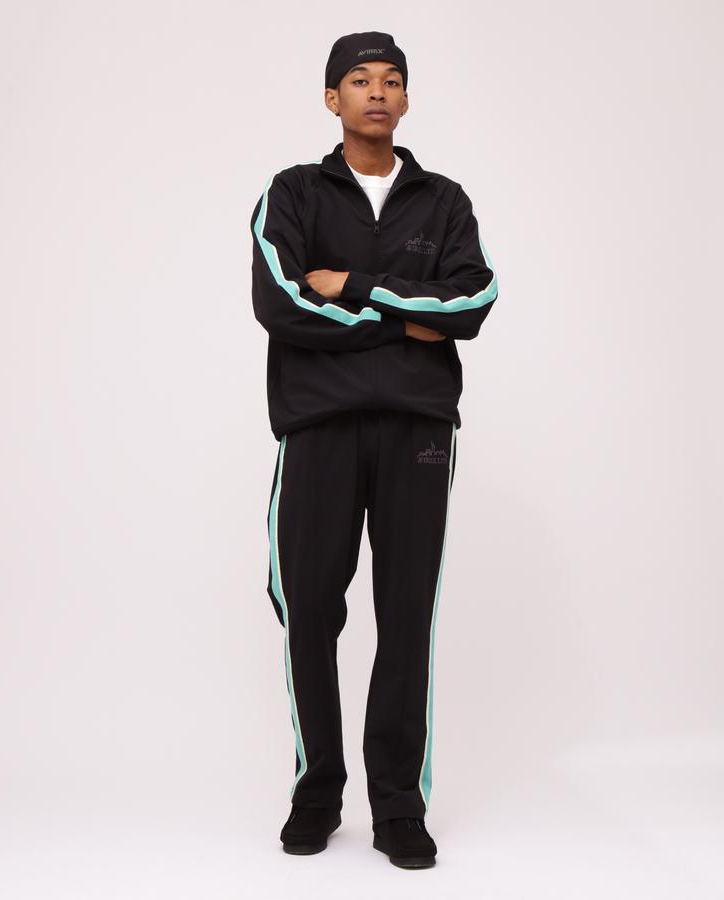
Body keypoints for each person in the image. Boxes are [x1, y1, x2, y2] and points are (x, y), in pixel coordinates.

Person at [249, 30, 498, 869]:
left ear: (406, 98)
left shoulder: (444, 201)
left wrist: (353, 288)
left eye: (392, 80)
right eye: (360, 80)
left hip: (417, 430)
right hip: (318, 428)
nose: (378, 92)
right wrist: (408, 322)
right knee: (308, 610)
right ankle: (316, 793)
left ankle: (397, 806)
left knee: (406, 614)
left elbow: (474, 303)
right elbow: (282, 303)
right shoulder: (292, 193)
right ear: (333, 99)